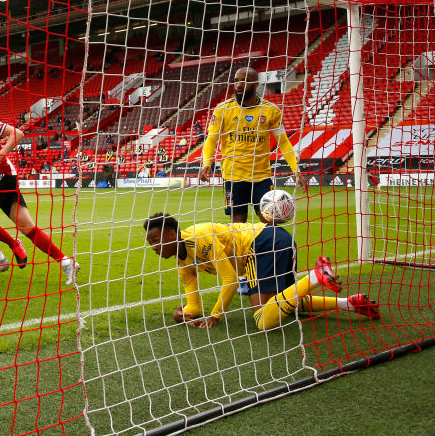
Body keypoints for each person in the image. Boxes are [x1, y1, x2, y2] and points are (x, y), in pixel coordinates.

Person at [142, 212, 379, 330]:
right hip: (279, 240)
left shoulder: (198, 237)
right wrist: (180, 313)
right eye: (150, 243)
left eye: (155, 240)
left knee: (262, 320)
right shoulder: (184, 265)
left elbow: (231, 278)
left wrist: (215, 315)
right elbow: (193, 305)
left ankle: (316, 277)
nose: (153, 247)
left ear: (172, 234)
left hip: (262, 244)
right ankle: (350, 303)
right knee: (285, 302)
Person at [0, 98, 78, 285]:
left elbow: (17, 133)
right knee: (28, 229)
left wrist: (0, 154)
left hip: (2, 174)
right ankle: (67, 263)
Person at [198, 67, 305, 225]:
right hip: (233, 177)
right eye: (236, 81)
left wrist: (295, 168)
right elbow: (211, 139)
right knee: (238, 226)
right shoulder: (222, 110)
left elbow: (283, 142)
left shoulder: (271, 111)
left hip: (261, 177)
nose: (239, 85)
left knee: (269, 222)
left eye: (245, 80)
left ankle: (268, 250)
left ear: (256, 84)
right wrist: (207, 163)